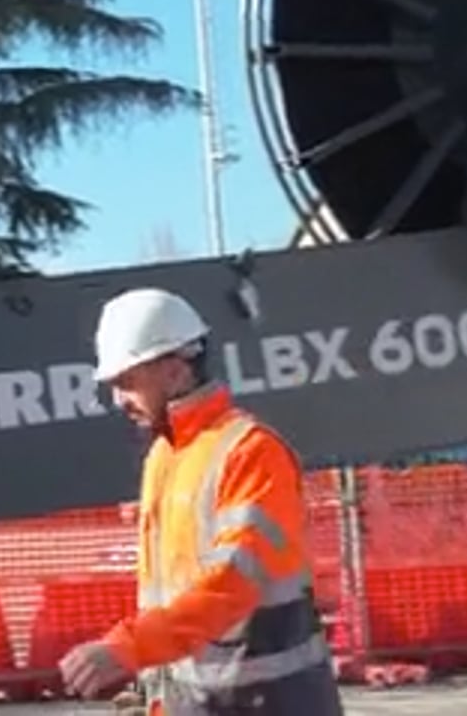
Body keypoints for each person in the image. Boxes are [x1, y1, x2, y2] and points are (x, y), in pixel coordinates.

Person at [57, 287, 344, 715]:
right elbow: (169, 600)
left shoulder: (250, 452)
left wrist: (127, 647)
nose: (118, 399)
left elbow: (231, 586)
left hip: (270, 703)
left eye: (126, 382)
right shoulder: (165, 455)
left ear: (174, 371)